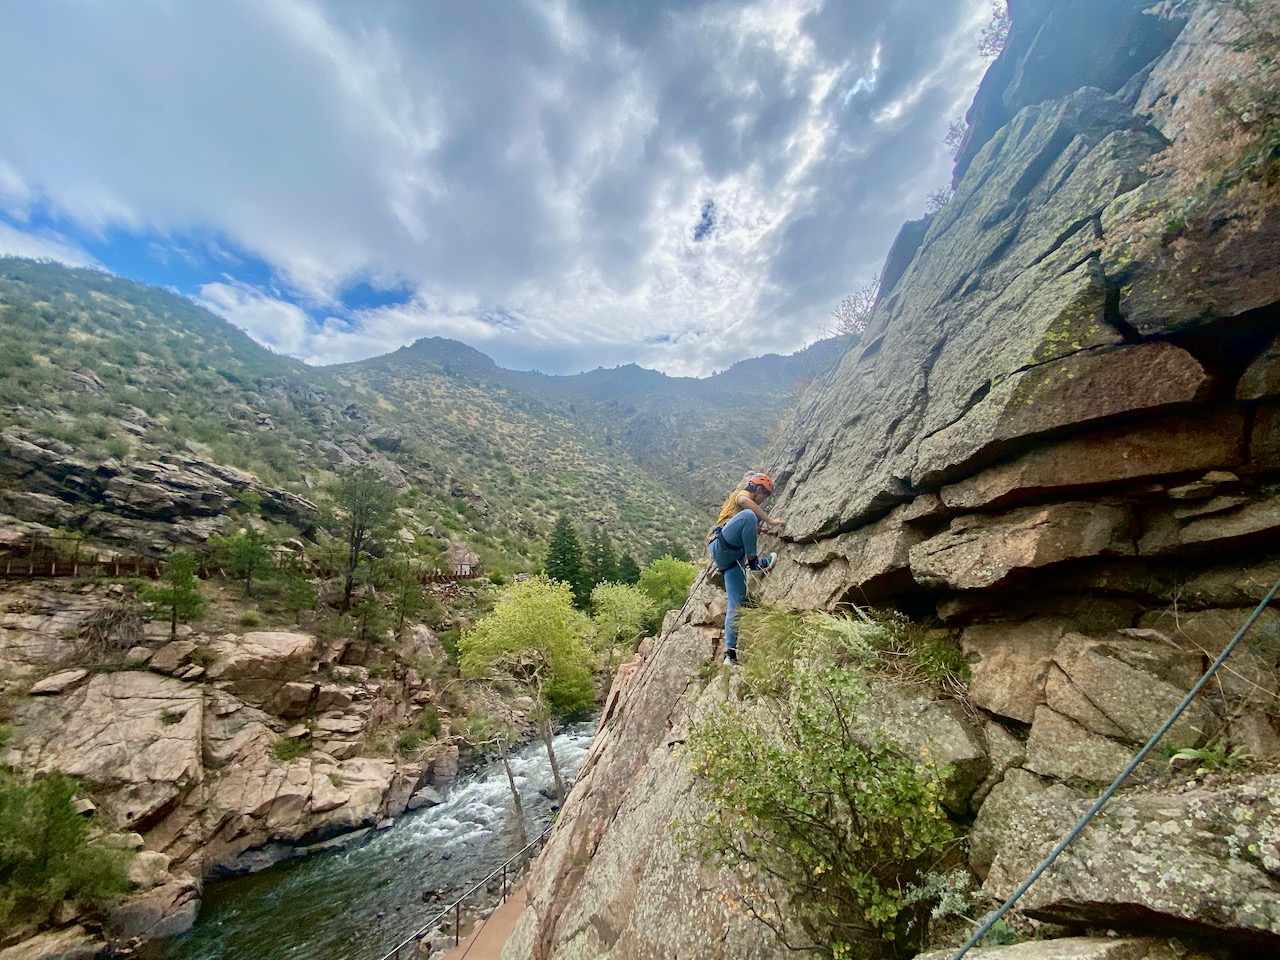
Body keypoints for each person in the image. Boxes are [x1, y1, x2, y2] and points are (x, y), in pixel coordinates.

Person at [707, 471, 784, 665]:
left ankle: (730, 655)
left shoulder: (747, 510)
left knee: (736, 604)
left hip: (731, 559)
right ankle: (755, 563)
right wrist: (770, 520)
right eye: (763, 496)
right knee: (750, 514)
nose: (762, 501)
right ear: (758, 489)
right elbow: (744, 503)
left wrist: (757, 528)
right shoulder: (743, 494)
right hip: (722, 545)